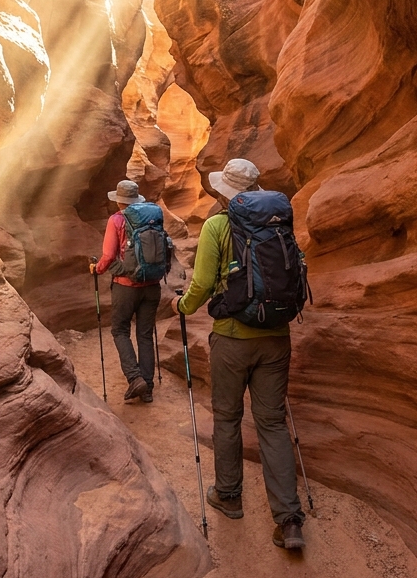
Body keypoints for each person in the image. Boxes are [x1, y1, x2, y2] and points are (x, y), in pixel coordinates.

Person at [175, 159, 306, 550]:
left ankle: (229, 495)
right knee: (273, 424)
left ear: (224, 192)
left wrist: (183, 307)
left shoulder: (218, 225)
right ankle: (289, 520)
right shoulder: (279, 222)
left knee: (228, 417)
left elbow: (200, 283)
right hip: (276, 336)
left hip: (232, 339)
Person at [94, 180, 161, 404]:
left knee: (120, 330)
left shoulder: (116, 220)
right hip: (151, 285)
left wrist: (97, 269)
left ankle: (135, 378)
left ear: (119, 201)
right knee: (145, 334)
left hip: (126, 286)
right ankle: (148, 387)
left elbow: (108, 255)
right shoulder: (152, 217)